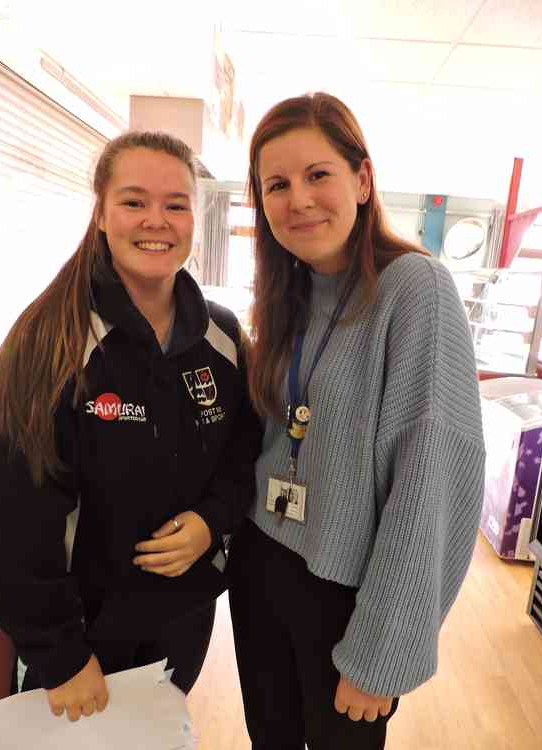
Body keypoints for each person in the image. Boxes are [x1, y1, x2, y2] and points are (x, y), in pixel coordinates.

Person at [227, 92, 486, 750]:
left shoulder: (413, 288)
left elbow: (431, 476)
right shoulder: (287, 291)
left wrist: (381, 652)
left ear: (362, 180)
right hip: (261, 566)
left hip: (344, 590)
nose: (298, 200)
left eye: (318, 175)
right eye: (276, 185)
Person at [0, 131, 261, 722]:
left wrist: (211, 522)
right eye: (134, 201)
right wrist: (60, 655)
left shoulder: (222, 339)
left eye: (176, 204)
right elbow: (9, 514)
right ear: (102, 214)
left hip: (182, 623)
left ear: (196, 216)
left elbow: (242, 458)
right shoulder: (49, 342)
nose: (155, 221)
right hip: (81, 638)